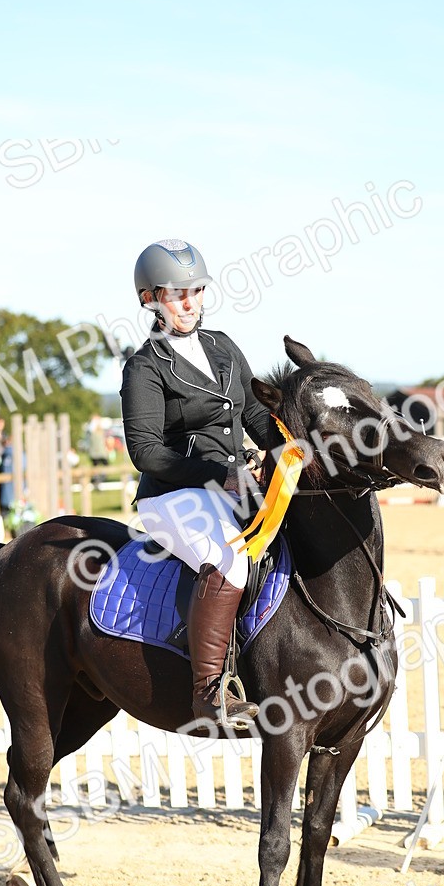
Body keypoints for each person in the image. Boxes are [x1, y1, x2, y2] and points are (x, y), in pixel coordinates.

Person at [121, 239, 276, 728]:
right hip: (174, 495)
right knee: (228, 558)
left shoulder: (223, 346)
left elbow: (253, 413)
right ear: (150, 299)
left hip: (236, 485)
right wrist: (220, 475)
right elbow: (145, 451)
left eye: (197, 290)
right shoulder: (144, 367)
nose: (189, 303)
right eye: (176, 293)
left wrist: (290, 452)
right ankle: (210, 695)